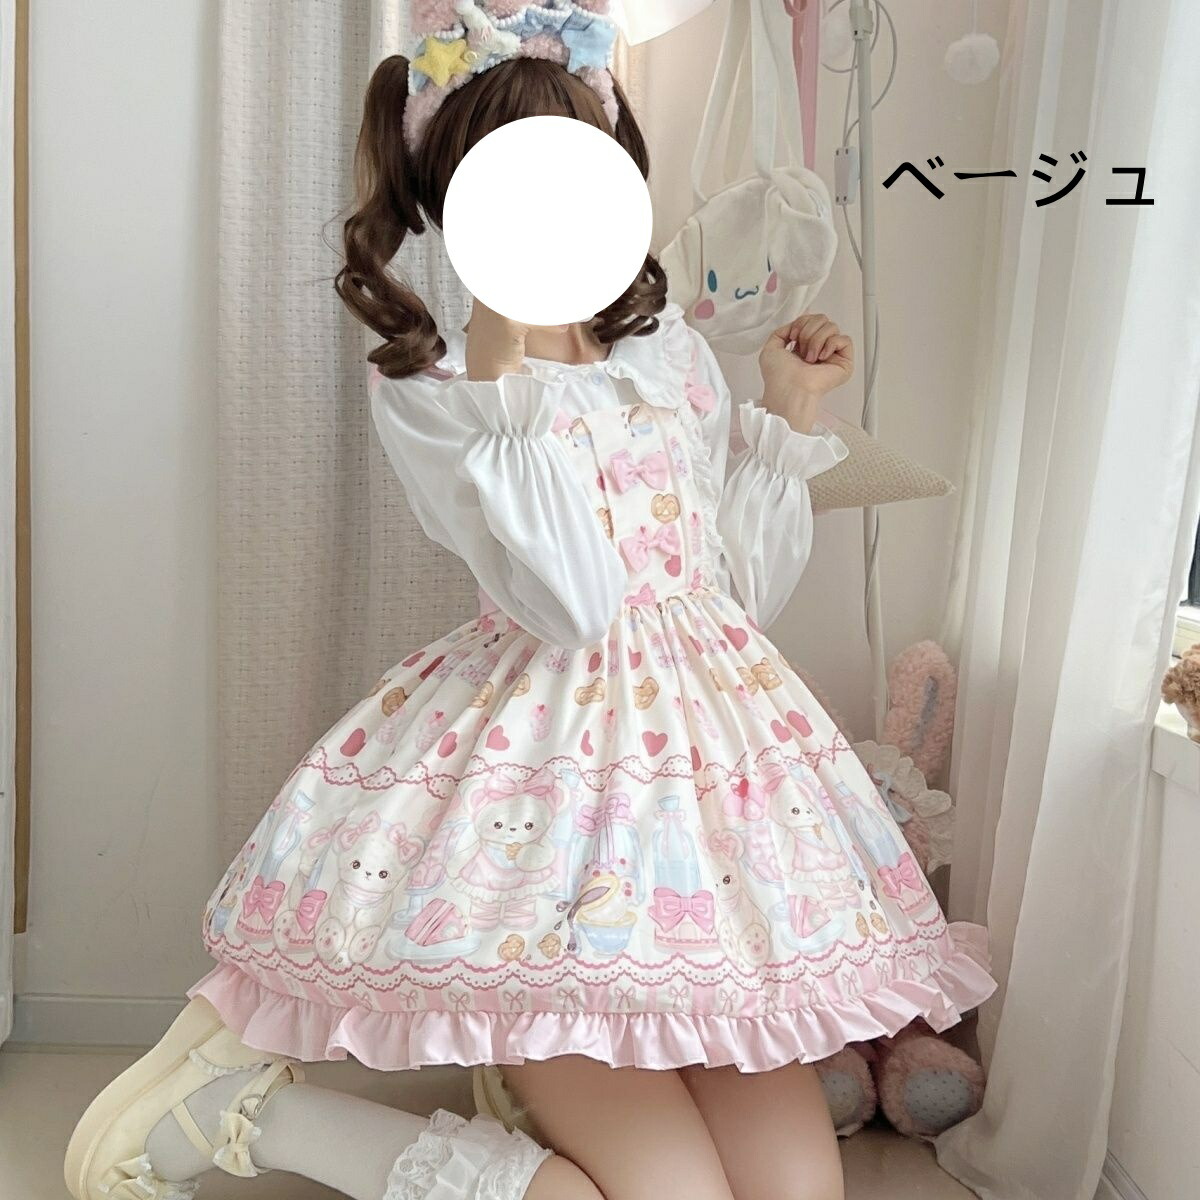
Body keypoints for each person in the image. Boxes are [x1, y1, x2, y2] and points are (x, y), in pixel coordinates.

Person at [66, 5, 993, 1200]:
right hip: (548, 777)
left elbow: (731, 595)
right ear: (460, 203)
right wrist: (505, 389)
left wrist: (788, 413)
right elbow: (576, 604)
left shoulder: (669, 355)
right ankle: (254, 1116)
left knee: (800, 1193)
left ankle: (533, 1103)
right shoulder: (438, 389)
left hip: (709, 782)